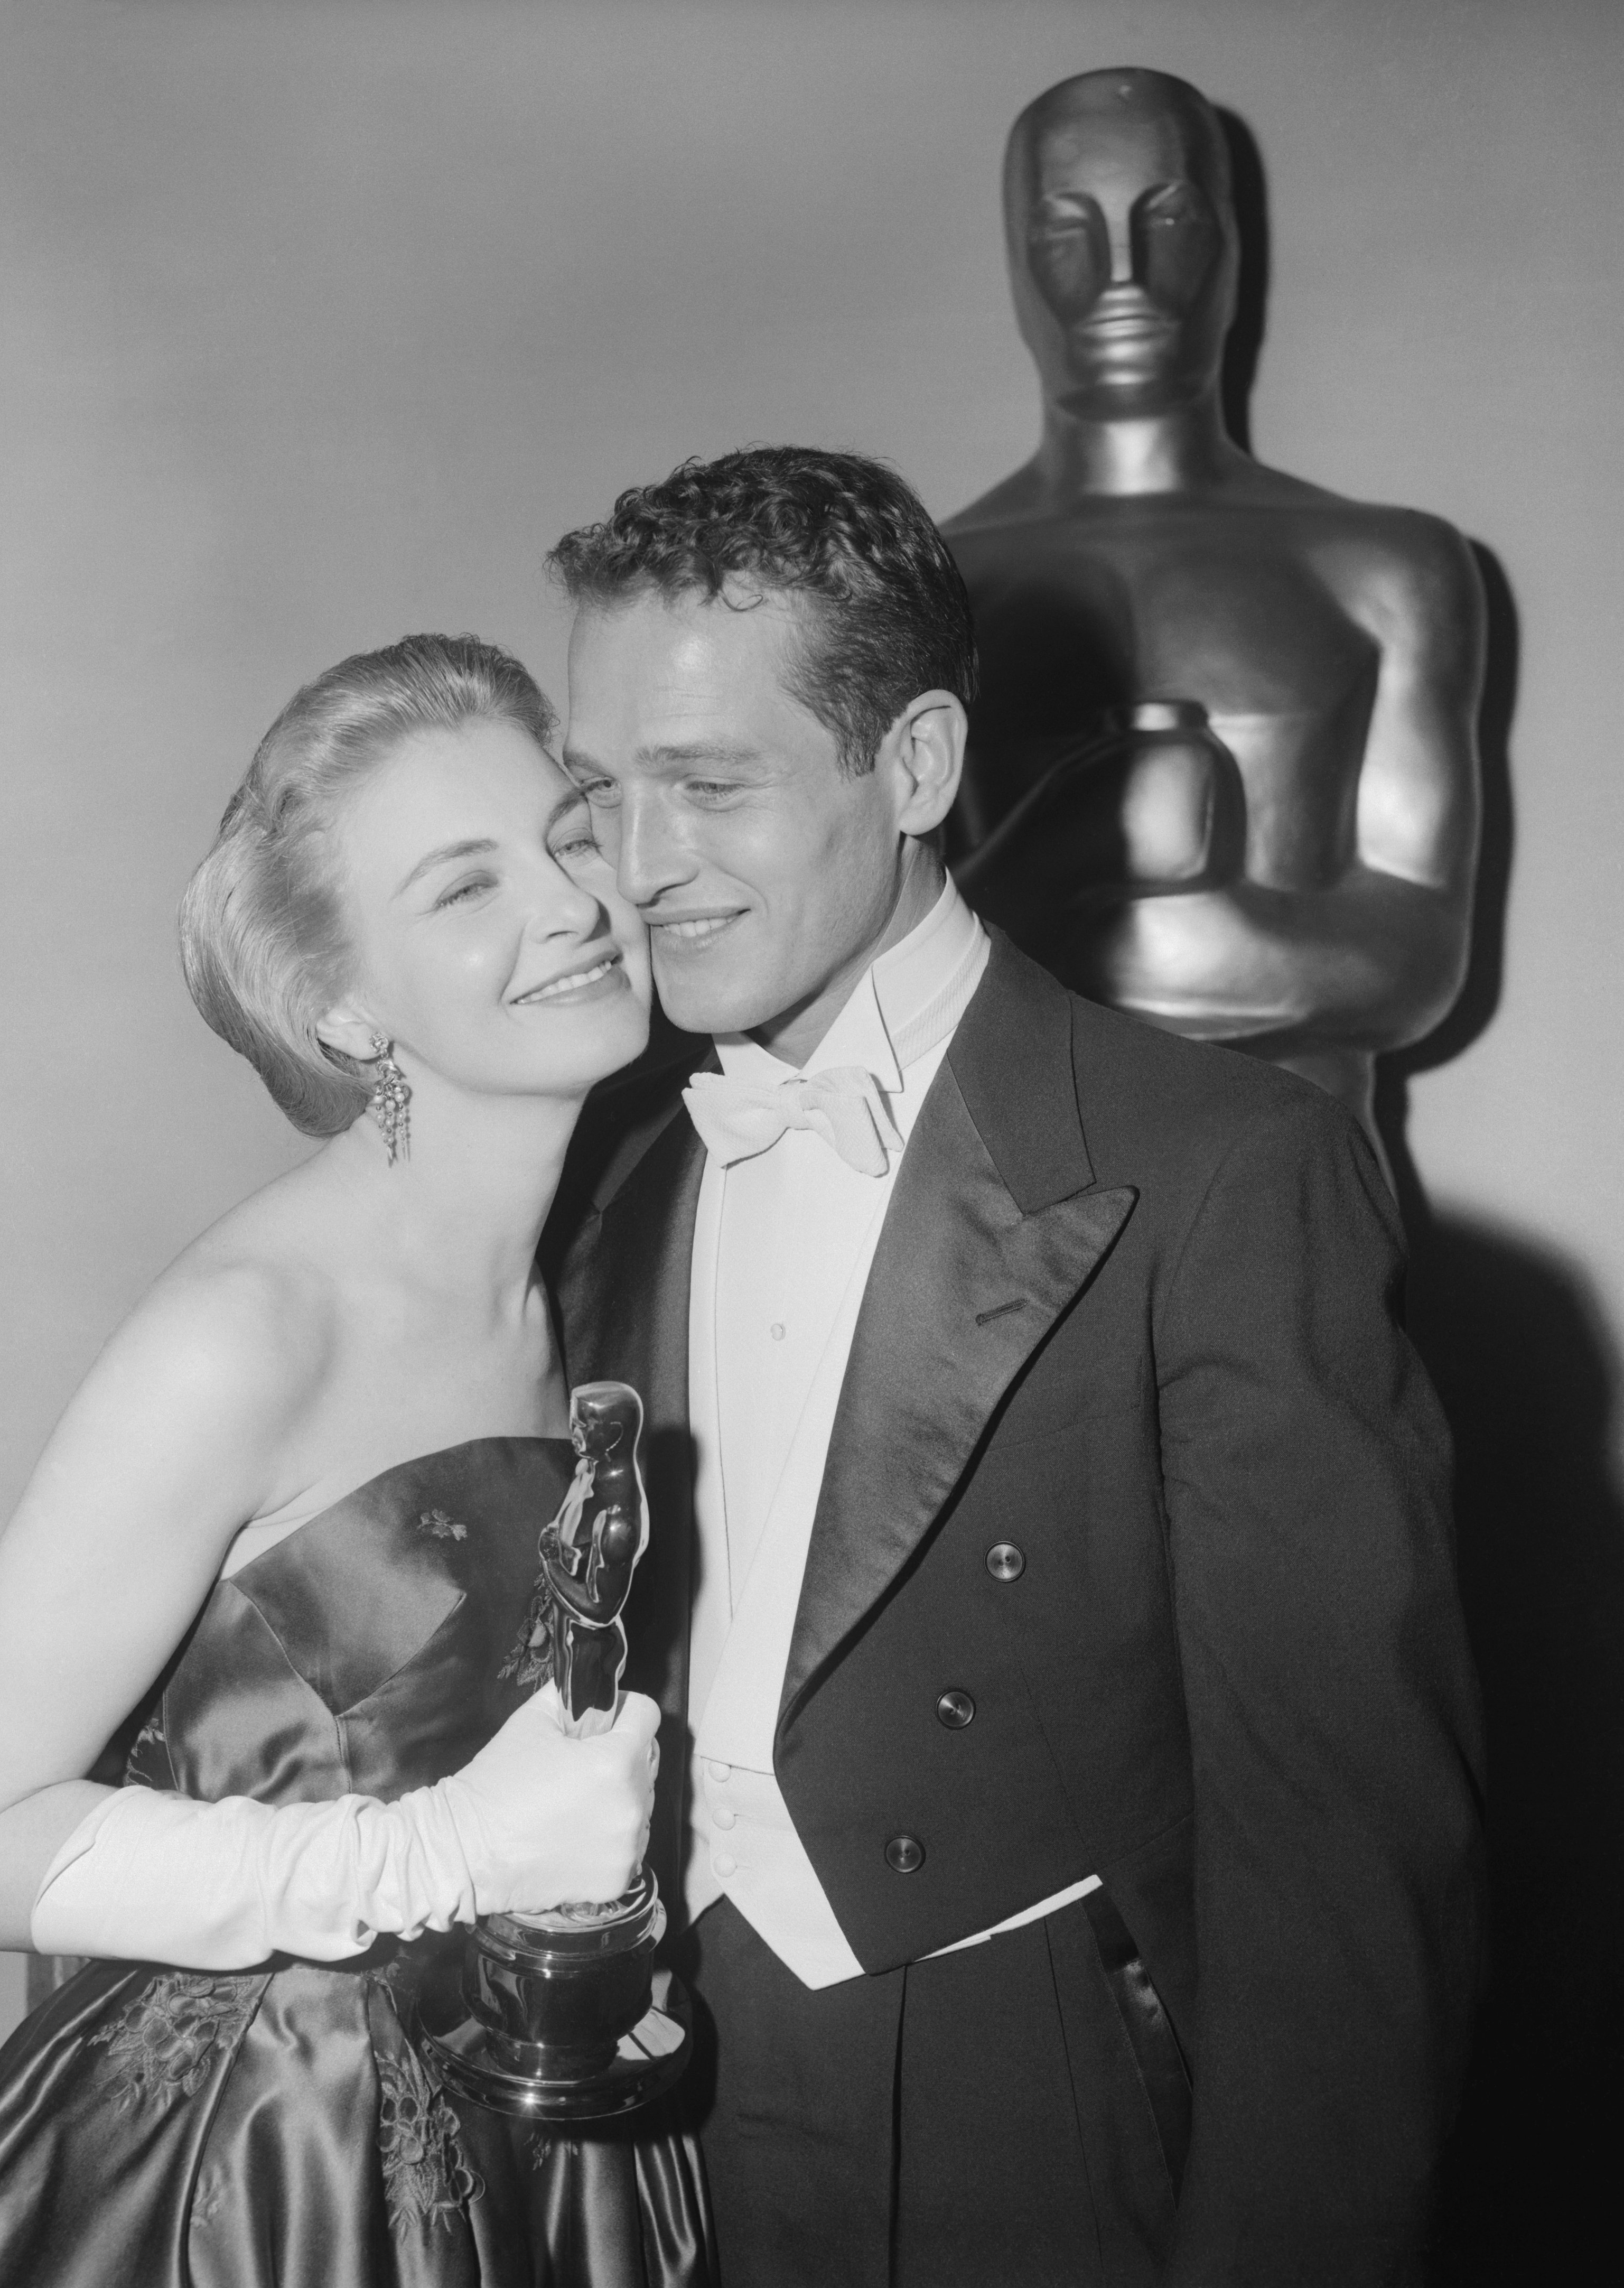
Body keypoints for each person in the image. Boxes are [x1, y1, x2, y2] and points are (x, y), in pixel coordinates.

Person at [543, 446, 1485, 2285]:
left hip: (1029, 2115)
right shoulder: (622, 1182)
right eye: (603, 794)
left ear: (913, 766)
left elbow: (1344, 1877)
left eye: (709, 786)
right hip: (669, 2134)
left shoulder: (1226, 1172)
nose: (638, 872)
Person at [0, 635, 714, 2287]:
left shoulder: (612, 1248)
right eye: (460, 888)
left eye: (565, 835)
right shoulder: (248, 1331)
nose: (565, 906)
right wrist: (439, 1858)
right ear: (342, 1004)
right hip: (284, 2163)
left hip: (553, 2125)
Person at [942, 67, 1484, 1162]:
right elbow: (888, 968)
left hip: (1299, 1191)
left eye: (1170, 218)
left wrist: (1120, 913)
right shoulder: (933, 587)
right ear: (1014, 263)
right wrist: (1078, 843)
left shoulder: (1389, 567)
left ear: (1230, 247)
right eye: (1065, 230)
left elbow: (1415, 958)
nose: (1122, 277)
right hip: (1011, 1191)